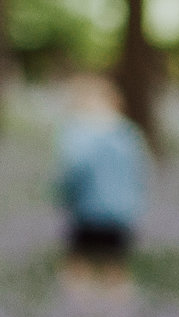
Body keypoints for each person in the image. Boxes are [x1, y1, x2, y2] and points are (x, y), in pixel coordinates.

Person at [54, 73, 149, 297]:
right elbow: (141, 171)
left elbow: (71, 172)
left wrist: (63, 195)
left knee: (78, 261)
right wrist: (135, 203)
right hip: (120, 212)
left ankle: (76, 303)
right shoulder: (128, 133)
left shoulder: (76, 135)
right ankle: (118, 307)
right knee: (115, 262)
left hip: (86, 211)